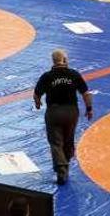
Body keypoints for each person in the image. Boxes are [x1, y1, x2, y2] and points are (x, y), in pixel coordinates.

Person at [33, 49, 93, 185]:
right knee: (68, 139)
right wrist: (89, 109)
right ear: (65, 60)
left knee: (55, 142)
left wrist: (38, 104)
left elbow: (37, 94)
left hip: (54, 112)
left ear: (53, 61)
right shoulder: (73, 74)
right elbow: (86, 94)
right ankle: (65, 164)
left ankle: (61, 169)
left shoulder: (47, 76)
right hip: (71, 112)